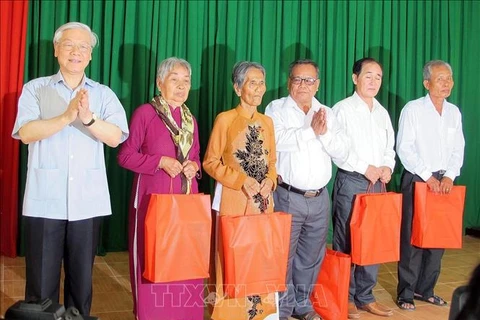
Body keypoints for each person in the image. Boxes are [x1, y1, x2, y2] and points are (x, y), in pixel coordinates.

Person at [11, 22, 128, 315]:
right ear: (56, 50)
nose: (76, 52)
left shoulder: (103, 94)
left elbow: (116, 137)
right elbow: (25, 133)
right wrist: (65, 116)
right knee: (40, 285)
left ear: (90, 56)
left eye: (83, 47)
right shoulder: (35, 88)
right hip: (44, 200)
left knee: (81, 283)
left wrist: (88, 118)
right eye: (69, 45)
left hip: (87, 202)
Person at [117, 57, 203, 319]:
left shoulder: (190, 120)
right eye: (174, 80)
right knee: (151, 262)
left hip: (186, 204)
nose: (181, 86)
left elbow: (197, 156)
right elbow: (125, 156)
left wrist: (193, 167)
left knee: (186, 263)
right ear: (159, 82)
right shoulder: (146, 113)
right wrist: (160, 162)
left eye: (185, 81)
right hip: (152, 204)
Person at [265, 59, 349, 320]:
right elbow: (277, 141)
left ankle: (302, 305)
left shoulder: (327, 112)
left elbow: (342, 151)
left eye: (309, 80)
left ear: (317, 84)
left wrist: (323, 134)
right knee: (284, 257)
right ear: (289, 81)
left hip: (319, 197)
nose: (303, 85)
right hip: (288, 195)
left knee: (311, 257)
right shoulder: (276, 108)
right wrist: (311, 132)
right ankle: (282, 310)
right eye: (298, 79)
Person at [203, 61, 278, 320]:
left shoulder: (267, 122)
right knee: (232, 260)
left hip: (263, 204)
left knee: (261, 259)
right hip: (234, 202)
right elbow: (210, 162)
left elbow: (272, 162)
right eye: (252, 83)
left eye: (261, 82)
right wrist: (241, 180)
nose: (258, 88)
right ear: (238, 88)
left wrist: (270, 181)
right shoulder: (225, 119)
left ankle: (260, 313)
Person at [396, 60, 465, 311]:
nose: (446, 83)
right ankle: (405, 293)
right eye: (440, 79)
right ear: (427, 83)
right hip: (418, 178)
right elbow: (404, 148)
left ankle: (426, 290)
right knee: (412, 239)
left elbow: (458, 148)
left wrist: (450, 176)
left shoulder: (454, 112)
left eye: (449, 78)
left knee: (438, 238)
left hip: (445, 182)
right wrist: (428, 176)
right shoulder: (413, 109)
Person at [331, 58, 395, 318]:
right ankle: (343, 296)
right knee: (346, 240)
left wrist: (387, 167)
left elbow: (389, 148)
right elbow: (336, 150)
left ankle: (365, 296)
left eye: (378, 77)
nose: (373, 82)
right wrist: (363, 166)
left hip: (378, 185)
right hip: (352, 182)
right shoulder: (342, 109)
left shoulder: (382, 112)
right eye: (368, 76)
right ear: (355, 78)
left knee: (373, 242)